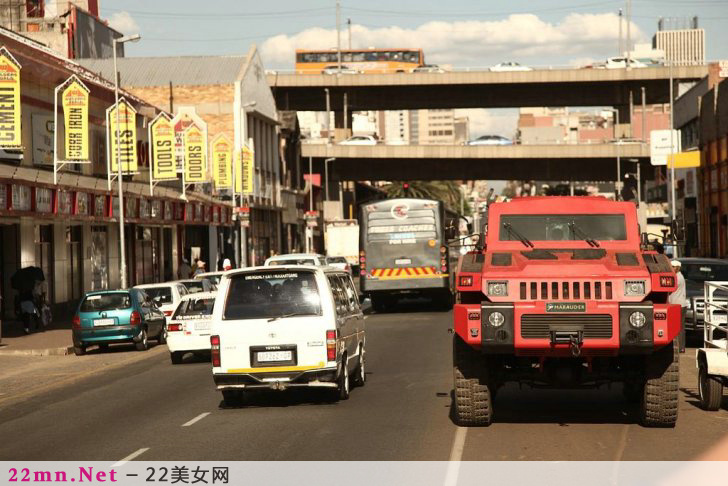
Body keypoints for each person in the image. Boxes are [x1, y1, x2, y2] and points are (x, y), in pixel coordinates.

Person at [669, 260, 687, 353]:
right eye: (671, 266)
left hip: (678, 304)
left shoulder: (677, 278)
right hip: (680, 304)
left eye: (673, 267)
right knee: (680, 326)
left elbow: (669, 289)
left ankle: (680, 347)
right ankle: (681, 347)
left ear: (678, 268)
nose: (671, 268)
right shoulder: (678, 276)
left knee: (679, 327)